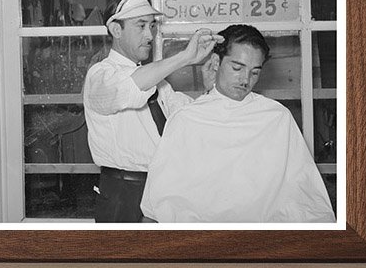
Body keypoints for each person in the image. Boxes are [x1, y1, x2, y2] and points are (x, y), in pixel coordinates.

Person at [140, 24, 335, 224]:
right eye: (237, 68)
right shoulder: (186, 119)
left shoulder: (276, 117)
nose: (245, 80)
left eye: (255, 72)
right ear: (216, 62)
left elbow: (305, 193)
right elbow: (156, 203)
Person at [83, 0, 218, 223]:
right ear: (116, 30)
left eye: (152, 26)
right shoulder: (100, 76)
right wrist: (185, 57)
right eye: (141, 26)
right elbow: (132, 87)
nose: (150, 35)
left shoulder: (157, 82)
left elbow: (186, 117)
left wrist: (209, 89)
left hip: (160, 187)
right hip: (123, 194)